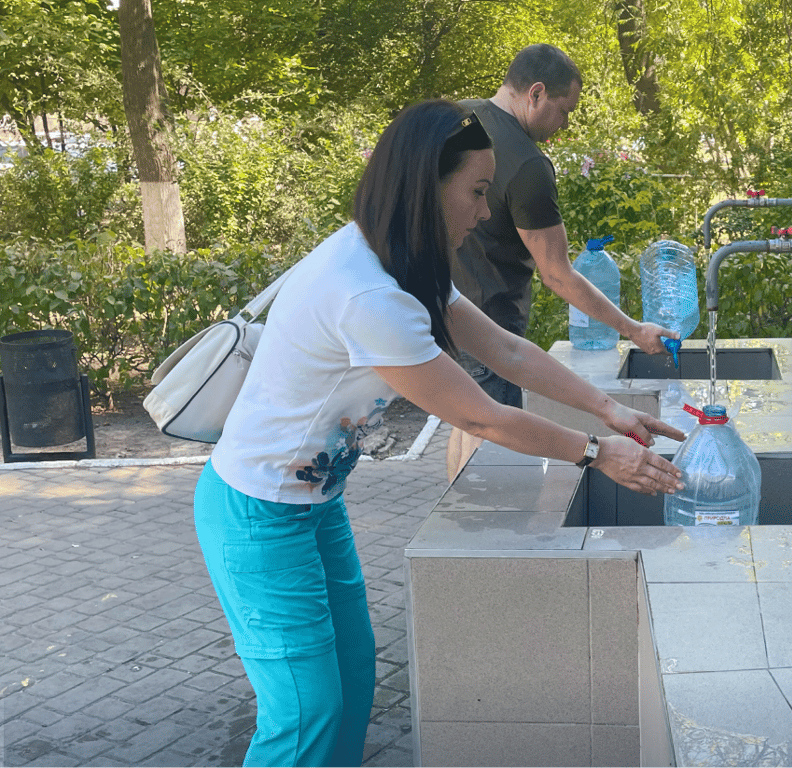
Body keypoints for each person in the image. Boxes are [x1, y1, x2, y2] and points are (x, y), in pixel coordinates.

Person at [193, 99, 685, 768]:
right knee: (306, 713)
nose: (485, 212)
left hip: (314, 505)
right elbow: (481, 414)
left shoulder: (403, 267)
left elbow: (508, 352)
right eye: (477, 192)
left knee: (353, 680)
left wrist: (610, 410)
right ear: (427, 186)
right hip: (258, 513)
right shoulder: (368, 293)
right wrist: (598, 454)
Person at [454, 43, 675, 408]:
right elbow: (556, 274)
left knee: (466, 427)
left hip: (440, 313)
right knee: (492, 443)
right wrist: (633, 330)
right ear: (536, 93)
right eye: (563, 111)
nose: (565, 124)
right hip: (489, 333)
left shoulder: (456, 117)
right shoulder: (528, 165)